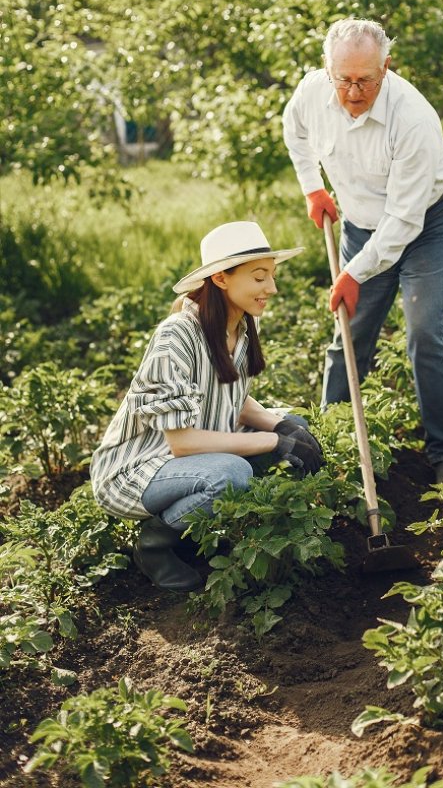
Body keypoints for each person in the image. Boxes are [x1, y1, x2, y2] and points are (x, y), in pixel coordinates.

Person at [283, 17, 443, 486]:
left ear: (387, 67)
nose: (352, 91)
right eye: (343, 79)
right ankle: (328, 439)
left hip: (428, 224)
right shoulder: (312, 92)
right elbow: (295, 130)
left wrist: (353, 274)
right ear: (327, 70)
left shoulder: (413, 118)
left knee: (426, 330)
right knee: (349, 331)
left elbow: (404, 221)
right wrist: (313, 190)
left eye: (365, 79)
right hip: (361, 224)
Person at [90, 221, 323, 591]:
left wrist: (280, 427)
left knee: (294, 423)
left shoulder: (241, 325)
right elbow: (182, 443)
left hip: (190, 455)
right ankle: (154, 545)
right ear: (220, 279)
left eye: (273, 276)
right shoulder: (177, 334)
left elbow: (230, 394)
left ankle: (222, 528)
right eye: (260, 277)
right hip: (140, 467)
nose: (272, 288)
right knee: (231, 474)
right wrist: (272, 442)